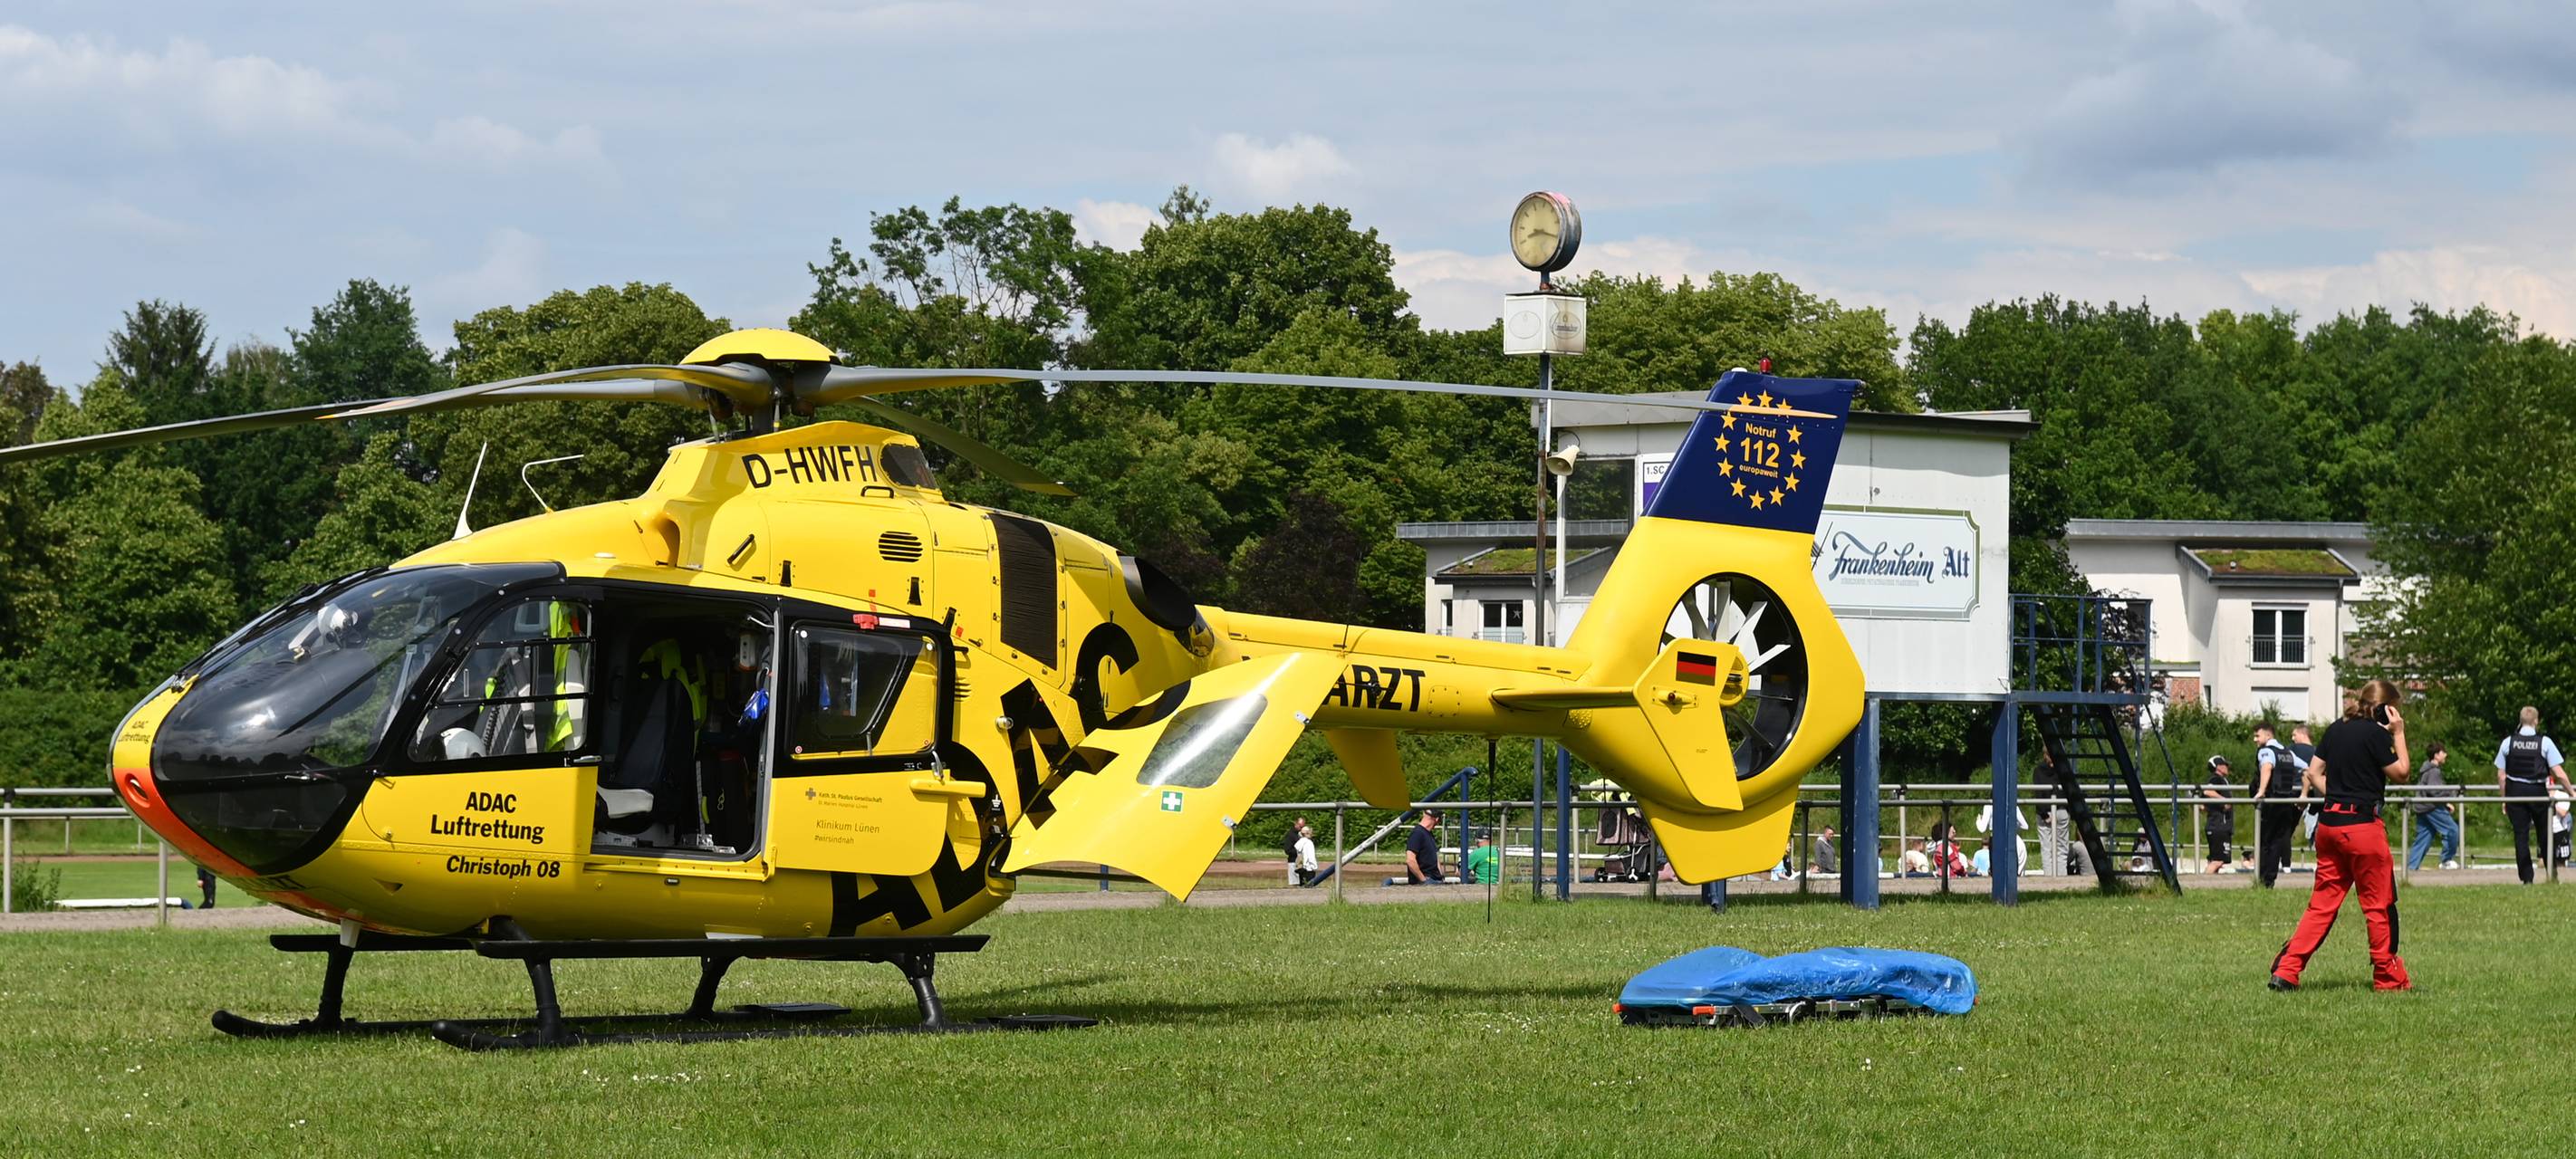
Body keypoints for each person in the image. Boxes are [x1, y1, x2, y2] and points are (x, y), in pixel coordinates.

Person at [2270, 679, 2411, 991]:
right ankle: (2388, 978)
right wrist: (2398, 733)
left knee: (2322, 905)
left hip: (2330, 826)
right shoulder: (2376, 734)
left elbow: (2313, 773)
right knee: (2378, 905)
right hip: (2363, 828)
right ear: (2387, 709)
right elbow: (2402, 772)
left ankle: (2287, 970)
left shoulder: (2336, 729)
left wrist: (2336, 796)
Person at [2494, 706, 2572, 885]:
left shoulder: (2508, 742)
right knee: (2544, 834)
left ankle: (2527, 879)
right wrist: (2571, 792)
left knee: (2521, 836)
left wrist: (2504, 799)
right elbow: (2559, 773)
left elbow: (2501, 776)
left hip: (2515, 793)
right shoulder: (2544, 742)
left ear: (2520, 721)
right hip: (2538, 792)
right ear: (2536, 721)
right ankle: (2552, 875)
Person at [2253, 723, 2308, 887]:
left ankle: (2262, 880)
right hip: (2286, 802)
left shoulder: (2266, 751)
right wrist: (2303, 794)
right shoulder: (2288, 753)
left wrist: (2261, 791)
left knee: (2264, 841)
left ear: (2268, 735)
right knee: (2277, 842)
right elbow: (2307, 770)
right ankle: (2270, 880)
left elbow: (2267, 767)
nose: (2255, 739)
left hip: (2270, 802)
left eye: (2257, 736)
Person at [2405, 743, 2461, 871]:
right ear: (2436, 755)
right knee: (2452, 830)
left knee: (2423, 838)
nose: (2445, 755)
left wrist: (2445, 804)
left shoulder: (2426, 770)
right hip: (2431, 807)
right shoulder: (2434, 771)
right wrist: (2453, 793)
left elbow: (2430, 791)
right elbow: (2435, 791)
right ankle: (2446, 860)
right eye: (2443, 752)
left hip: (2422, 806)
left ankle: (2411, 868)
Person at [2201, 755, 2237, 873]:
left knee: (2216, 860)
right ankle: (2203, 880)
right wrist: (2224, 801)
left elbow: (2202, 806)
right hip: (2218, 826)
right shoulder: (2216, 779)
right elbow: (2208, 791)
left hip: (2217, 825)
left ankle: (2208, 882)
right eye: (2225, 765)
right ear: (2218, 767)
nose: (2227, 767)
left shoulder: (2221, 781)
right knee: (2218, 861)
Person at [1404, 809, 1446, 884]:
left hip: (1435, 880)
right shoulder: (1417, 833)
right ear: (1437, 819)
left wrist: (1441, 876)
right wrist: (1424, 880)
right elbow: (1410, 860)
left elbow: (1435, 859)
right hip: (1425, 881)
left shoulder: (1428, 834)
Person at [1285, 818, 1320, 886]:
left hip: (1302, 865)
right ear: (1296, 824)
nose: (1301, 828)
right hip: (1295, 863)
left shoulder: (1301, 840)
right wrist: (1314, 866)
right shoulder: (1291, 835)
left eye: (1303, 826)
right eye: (1301, 826)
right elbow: (1287, 850)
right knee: (1297, 884)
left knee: (1301, 884)